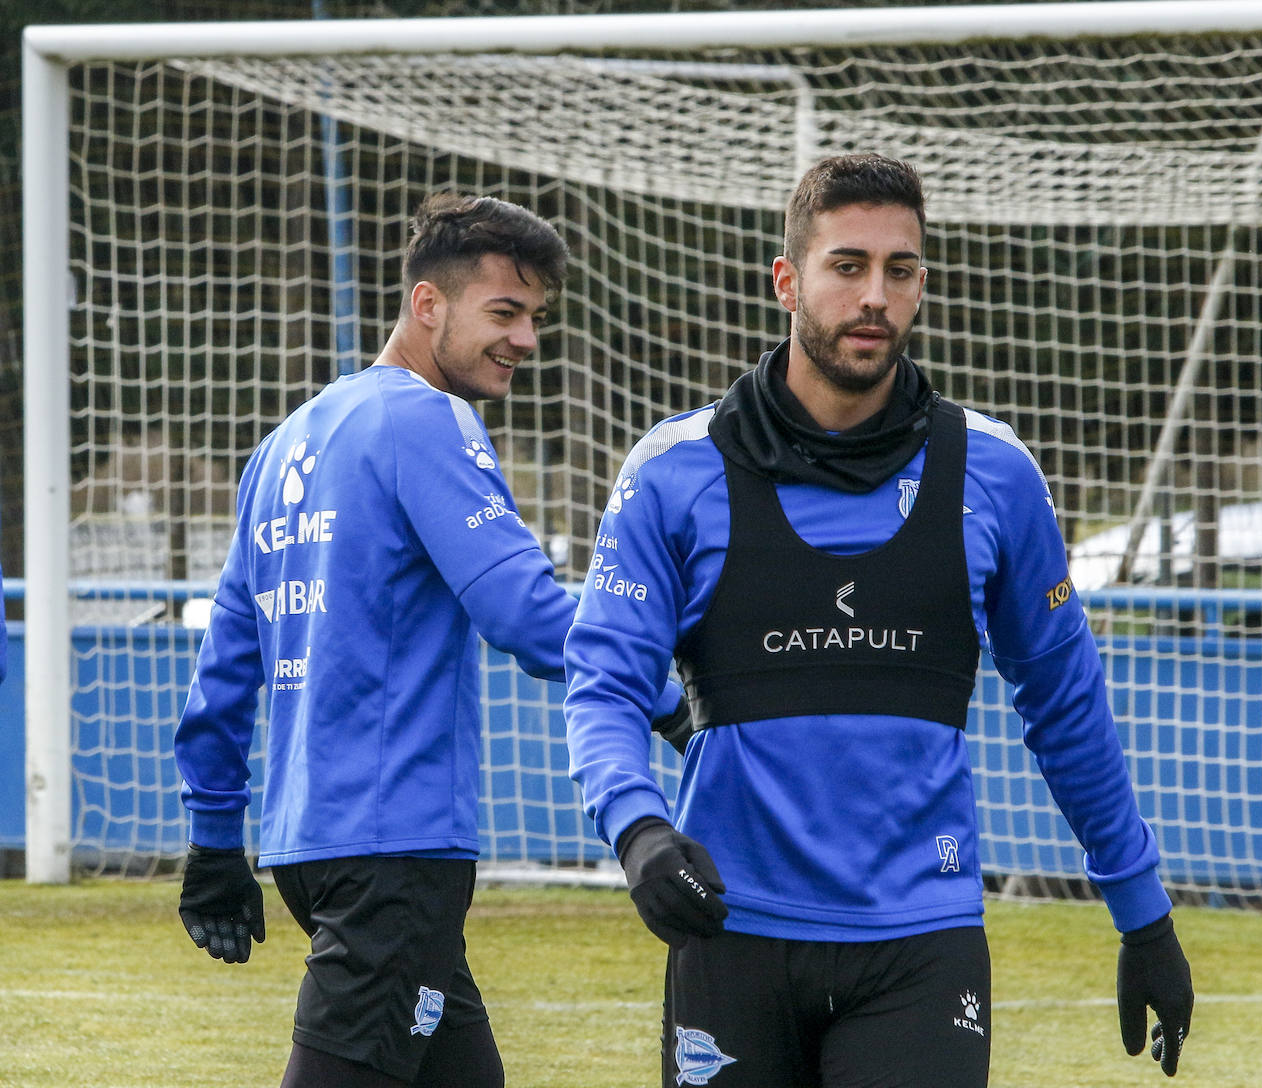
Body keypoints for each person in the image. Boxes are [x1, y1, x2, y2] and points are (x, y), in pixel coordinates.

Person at [563, 154, 1194, 1088]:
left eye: (899, 271)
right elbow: (605, 684)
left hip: (921, 945)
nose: (875, 296)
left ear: (922, 286)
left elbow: (1066, 707)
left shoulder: (995, 476)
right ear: (787, 280)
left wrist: (1143, 915)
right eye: (847, 265)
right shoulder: (674, 472)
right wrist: (638, 828)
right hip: (733, 937)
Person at [174, 192, 685, 1088]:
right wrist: (674, 696)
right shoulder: (426, 418)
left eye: (534, 318)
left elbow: (227, 662)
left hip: (306, 846)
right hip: (395, 854)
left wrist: (216, 839)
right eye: (504, 312)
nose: (526, 339)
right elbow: (527, 616)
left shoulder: (285, 443)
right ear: (427, 305)